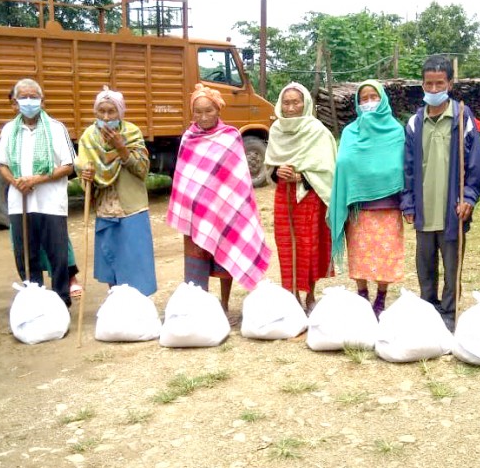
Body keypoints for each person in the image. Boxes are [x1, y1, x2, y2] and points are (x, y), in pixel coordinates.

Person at [167, 84, 270, 315]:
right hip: (196, 214)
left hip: (225, 211)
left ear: (218, 111)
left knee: (226, 254)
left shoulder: (230, 136)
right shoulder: (188, 138)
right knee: (196, 260)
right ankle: (199, 307)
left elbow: (238, 180)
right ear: (192, 113)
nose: (203, 116)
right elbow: (183, 179)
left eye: (209, 111)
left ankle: (224, 305)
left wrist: (225, 203)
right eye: (198, 111)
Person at [401, 55, 480, 332]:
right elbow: (409, 168)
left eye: (440, 83)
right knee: (425, 266)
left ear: (450, 83)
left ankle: (449, 314)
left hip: (452, 210)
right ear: (422, 85)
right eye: (429, 84)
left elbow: (475, 165)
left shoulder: (462, 117)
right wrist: (409, 203)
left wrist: (469, 198)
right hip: (425, 210)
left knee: (452, 267)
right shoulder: (415, 122)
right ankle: (428, 309)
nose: (434, 89)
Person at [0, 78, 76, 306]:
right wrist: (17, 182)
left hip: (51, 203)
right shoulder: (10, 130)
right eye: (24, 97)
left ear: (42, 101)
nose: (29, 101)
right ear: (14, 103)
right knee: (25, 254)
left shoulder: (57, 129)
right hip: (20, 202)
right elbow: (2, 164)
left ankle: (62, 299)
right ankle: (35, 298)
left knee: (57, 254)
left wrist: (36, 180)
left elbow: (69, 165)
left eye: (34, 97)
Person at [327, 79, 405, 317]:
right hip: (358, 206)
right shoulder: (350, 132)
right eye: (364, 98)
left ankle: (381, 298)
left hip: (388, 206)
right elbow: (343, 164)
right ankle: (362, 295)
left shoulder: (396, 130)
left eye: (374, 97)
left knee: (385, 254)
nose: (369, 102)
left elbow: (399, 167)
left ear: (383, 100)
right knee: (360, 255)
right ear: (357, 103)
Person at [75, 87, 157, 296]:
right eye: (101, 111)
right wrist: (86, 175)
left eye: (111, 111)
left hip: (132, 207)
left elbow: (142, 170)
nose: (106, 116)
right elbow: (82, 168)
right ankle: (117, 303)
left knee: (136, 260)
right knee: (111, 260)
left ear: (120, 112)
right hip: (106, 208)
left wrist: (121, 148)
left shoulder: (131, 133)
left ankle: (139, 308)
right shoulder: (88, 138)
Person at [264, 82, 337, 313]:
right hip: (284, 195)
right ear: (280, 105)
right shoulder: (276, 130)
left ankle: (310, 295)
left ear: (305, 103)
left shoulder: (317, 130)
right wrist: (278, 172)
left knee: (309, 245)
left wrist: (302, 175)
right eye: (286, 102)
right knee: (287, 246)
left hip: (309, 195)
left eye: (296, 102)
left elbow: (327, 167)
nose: (291, 107)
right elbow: (271, 165)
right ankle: (292, 295)